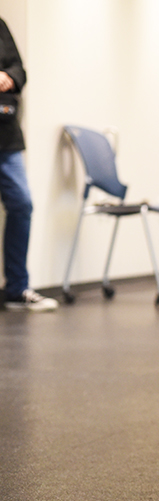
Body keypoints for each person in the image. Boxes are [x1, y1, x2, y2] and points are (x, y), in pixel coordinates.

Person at [0, 17, 55, 311]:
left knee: (22, 204)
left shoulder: (0, 25)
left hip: (5, 137)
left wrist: (8, 77)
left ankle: (17, 288)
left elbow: (19, 69)